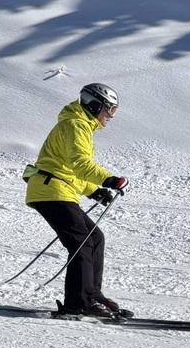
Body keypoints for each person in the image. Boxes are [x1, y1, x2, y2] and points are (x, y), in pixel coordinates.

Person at [23, 81, 132, 319]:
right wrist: (109, 180)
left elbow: (68, 168)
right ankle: (77, 303)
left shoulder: (79, 125)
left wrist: (94, 191)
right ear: (95, 106)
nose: (111, 116)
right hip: (49, 191)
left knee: (95, 237)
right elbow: (80, 164)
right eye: (109, 109)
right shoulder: (76, 125)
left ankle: (91, 295)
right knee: (81, 243)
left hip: (57, 188)